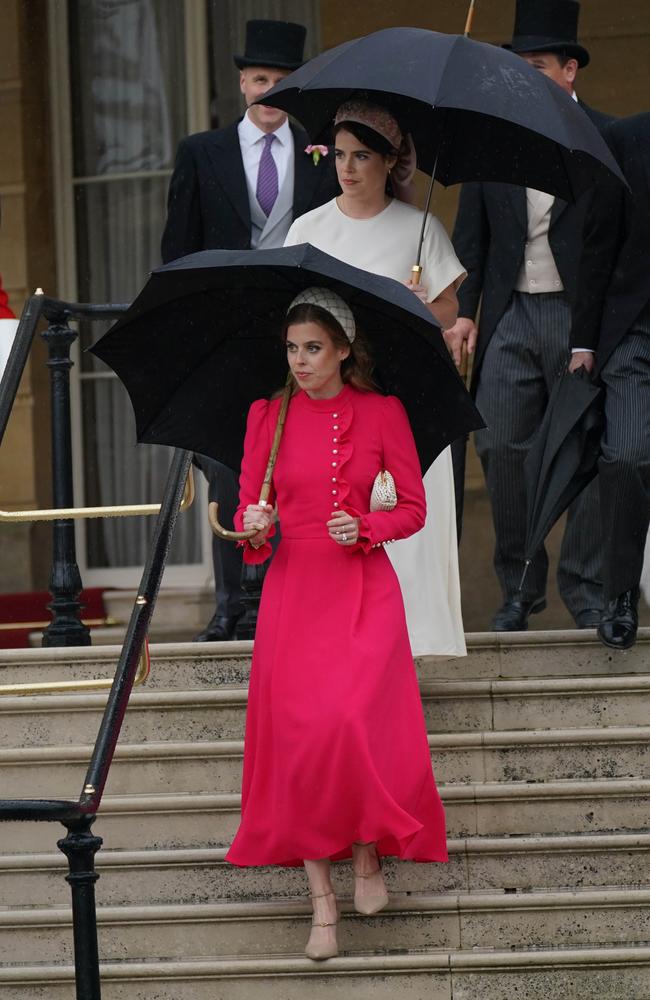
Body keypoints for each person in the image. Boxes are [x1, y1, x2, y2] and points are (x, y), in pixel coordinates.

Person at [225, 287, 447, 960]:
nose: (299, 360)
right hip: (294, 590)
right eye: (292, 348)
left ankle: (367, 856)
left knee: (348, 724)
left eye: (313, 348)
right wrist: (252, 526)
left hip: (360, 587)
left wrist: (366, 526)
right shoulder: (265, 415)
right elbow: (247, 516)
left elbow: (412, 508)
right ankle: (322, 903)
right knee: (299, 744)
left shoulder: (381, 413)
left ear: (344, 350)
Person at [161, 19, 338, 641]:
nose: (269, 92)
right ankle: (231, 604)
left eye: (282, 82)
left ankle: (278, 602)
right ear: (242, 83)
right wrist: (183, 334)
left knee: (293, 461)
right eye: (260, 79)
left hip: (297, 327)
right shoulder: (201, 152)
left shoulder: (321, 154)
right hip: (221, 332)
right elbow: (177, 252)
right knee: (227, 466)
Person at [449, 0, 614, 631]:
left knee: (592, 451)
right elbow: (472, 238)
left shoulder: (607, 138)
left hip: (583, 315)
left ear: (570, 70)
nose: (524, 76)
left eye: (537, 65)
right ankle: (520, 585)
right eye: (516, 66)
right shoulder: (493, 144)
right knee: (500, 444)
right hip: (511, 315)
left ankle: (587, 587)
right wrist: (464, 311)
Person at [285, 99, 467, 657]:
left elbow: (448, 309)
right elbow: (291, 310)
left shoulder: (420, 228)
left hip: (400, 394)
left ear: (389, 161)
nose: (348, 168)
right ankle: (342, 641)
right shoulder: (307, 228)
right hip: (333, 398)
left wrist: (417, 305)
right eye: (340, 155)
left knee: (398, 511)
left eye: (361, 156)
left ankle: (413, 641)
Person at [571, 112, 650, 649]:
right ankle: (619, 593)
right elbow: (597, 243)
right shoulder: (624, 139)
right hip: (635, 331)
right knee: (625, 454)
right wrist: (584, 341)